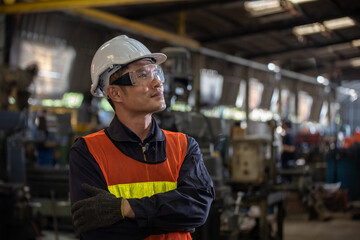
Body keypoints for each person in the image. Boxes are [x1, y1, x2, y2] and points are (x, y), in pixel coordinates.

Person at [69, 35, 215, 240]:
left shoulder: (184, 146)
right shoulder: (88, 152)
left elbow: (198, 208)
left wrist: (127, 208)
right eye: (142, 75)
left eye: (156, 73)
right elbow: (96, 229)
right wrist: (174, 221)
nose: (158, 83)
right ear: (115, 93)